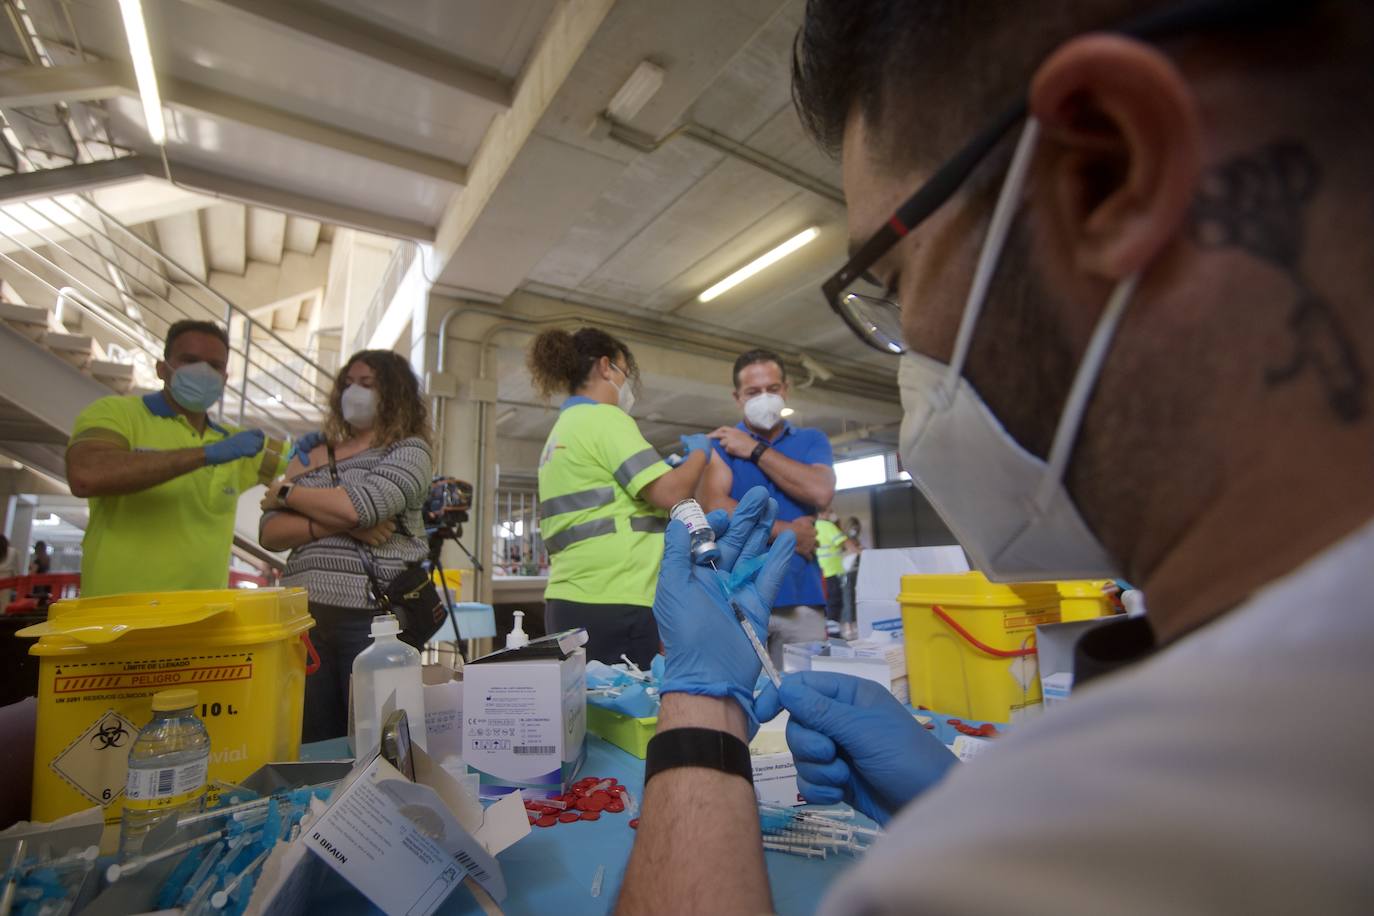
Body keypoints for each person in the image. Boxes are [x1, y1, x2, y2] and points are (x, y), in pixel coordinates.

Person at [617, 2, 1374, 914]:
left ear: (1109, 169)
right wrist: (960, 798)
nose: (914, 354)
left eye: (894, 280)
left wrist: (700, 712)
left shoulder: (1015, 870)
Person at [259, 350, 432, 744]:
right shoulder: (313, 452)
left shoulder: (408, 450)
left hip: (373, 618)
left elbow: (362, 505)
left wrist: (287, 491)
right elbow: (269, 530)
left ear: (394, 394)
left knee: (377, 738)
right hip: (302, 617)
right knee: (312, 737)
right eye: (348, 383)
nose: (354, 392)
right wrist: (343, 524)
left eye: (367, 384)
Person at [528, 327, 711, 668]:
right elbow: (670, 493)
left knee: (585, 713)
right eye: (624, 373)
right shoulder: (605, 419)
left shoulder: (563, 429)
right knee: (625, 715)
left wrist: (666, 469)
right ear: (605, 367)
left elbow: (610, 498)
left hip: (568, 600)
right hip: (616, 598)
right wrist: (701, 454)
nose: (626, 386)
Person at [64, 320, 286, 597]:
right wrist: (205, 455)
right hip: (117, 619)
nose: (203, 372)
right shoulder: (117, 414)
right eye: (190, 360)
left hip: (200, 621)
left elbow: (311, 463)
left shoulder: (239, 444)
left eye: (215, 366)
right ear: (162, 369)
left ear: (225, 379)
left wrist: (322, 445)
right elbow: (86, 475)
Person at [700, 349, 836, 666]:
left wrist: (754, 450)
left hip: (801, 599)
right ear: (737, 397)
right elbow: (717, 507)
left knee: (808, 695)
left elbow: (820, 491)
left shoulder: (812, 440)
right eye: (753, 392)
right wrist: (788, 533)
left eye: (772, 389)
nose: (765, 398)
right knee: (740, 704)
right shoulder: (719, 446)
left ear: (785, 389)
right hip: (737, 597)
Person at [813, 509, 849, 636]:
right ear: (822, 513)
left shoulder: (814, 526)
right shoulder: (828, 526)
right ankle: (834, 635)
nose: (831, 515)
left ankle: (826, 632)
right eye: (829, 512)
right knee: (835, 603)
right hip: (832, 571)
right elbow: (845, 543)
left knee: (826, 605)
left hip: (820, 572)